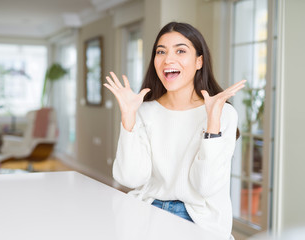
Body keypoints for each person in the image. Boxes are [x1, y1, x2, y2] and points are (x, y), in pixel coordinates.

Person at [104, 22, 246, 240]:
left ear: (199, 61)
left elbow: (205, 186)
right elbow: (130, 178)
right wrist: (128, 119)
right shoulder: (144, 110)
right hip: (148, 211)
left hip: (201, 220)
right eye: (161, 52)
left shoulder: (223, 113)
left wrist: (212, 123)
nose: (168, 59)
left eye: (180, 50)